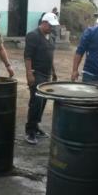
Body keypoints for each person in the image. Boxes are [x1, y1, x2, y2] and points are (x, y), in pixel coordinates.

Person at [24, 13, 59, 145]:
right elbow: (27, 57)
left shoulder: (52, 36)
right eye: (50, 25)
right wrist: (29, 74)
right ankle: (30, 131)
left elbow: (51, 56)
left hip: (47, 74)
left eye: (53, 26)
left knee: (43, 101)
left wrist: (54, 72)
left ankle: (36, 126)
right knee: (36, 102)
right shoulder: (33, 35)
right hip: (36, 73)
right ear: (43, 22)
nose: (52, 28)